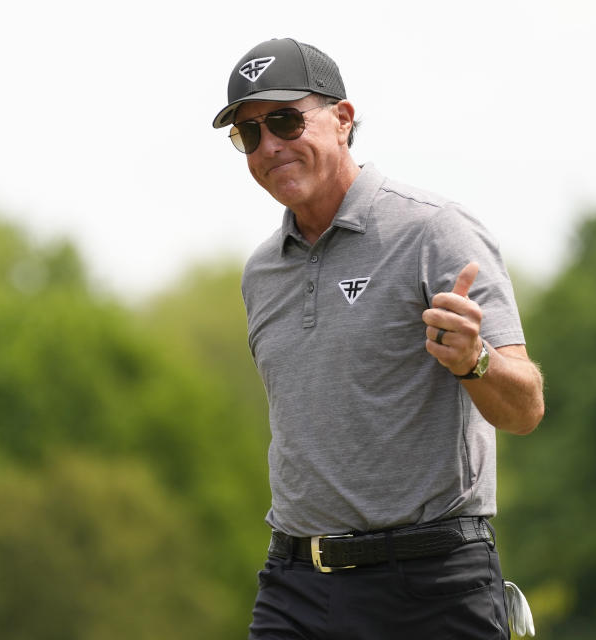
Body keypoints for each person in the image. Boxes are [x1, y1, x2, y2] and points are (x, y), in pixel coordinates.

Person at [213, 37, 545, 639]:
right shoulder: (262, 272)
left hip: (428, 584)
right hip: (295, 584)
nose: (270, 147)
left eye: (286, 121)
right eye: (249, 134)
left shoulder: (434, 231)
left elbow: (525, 408)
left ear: (342, 120)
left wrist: (476, 361)